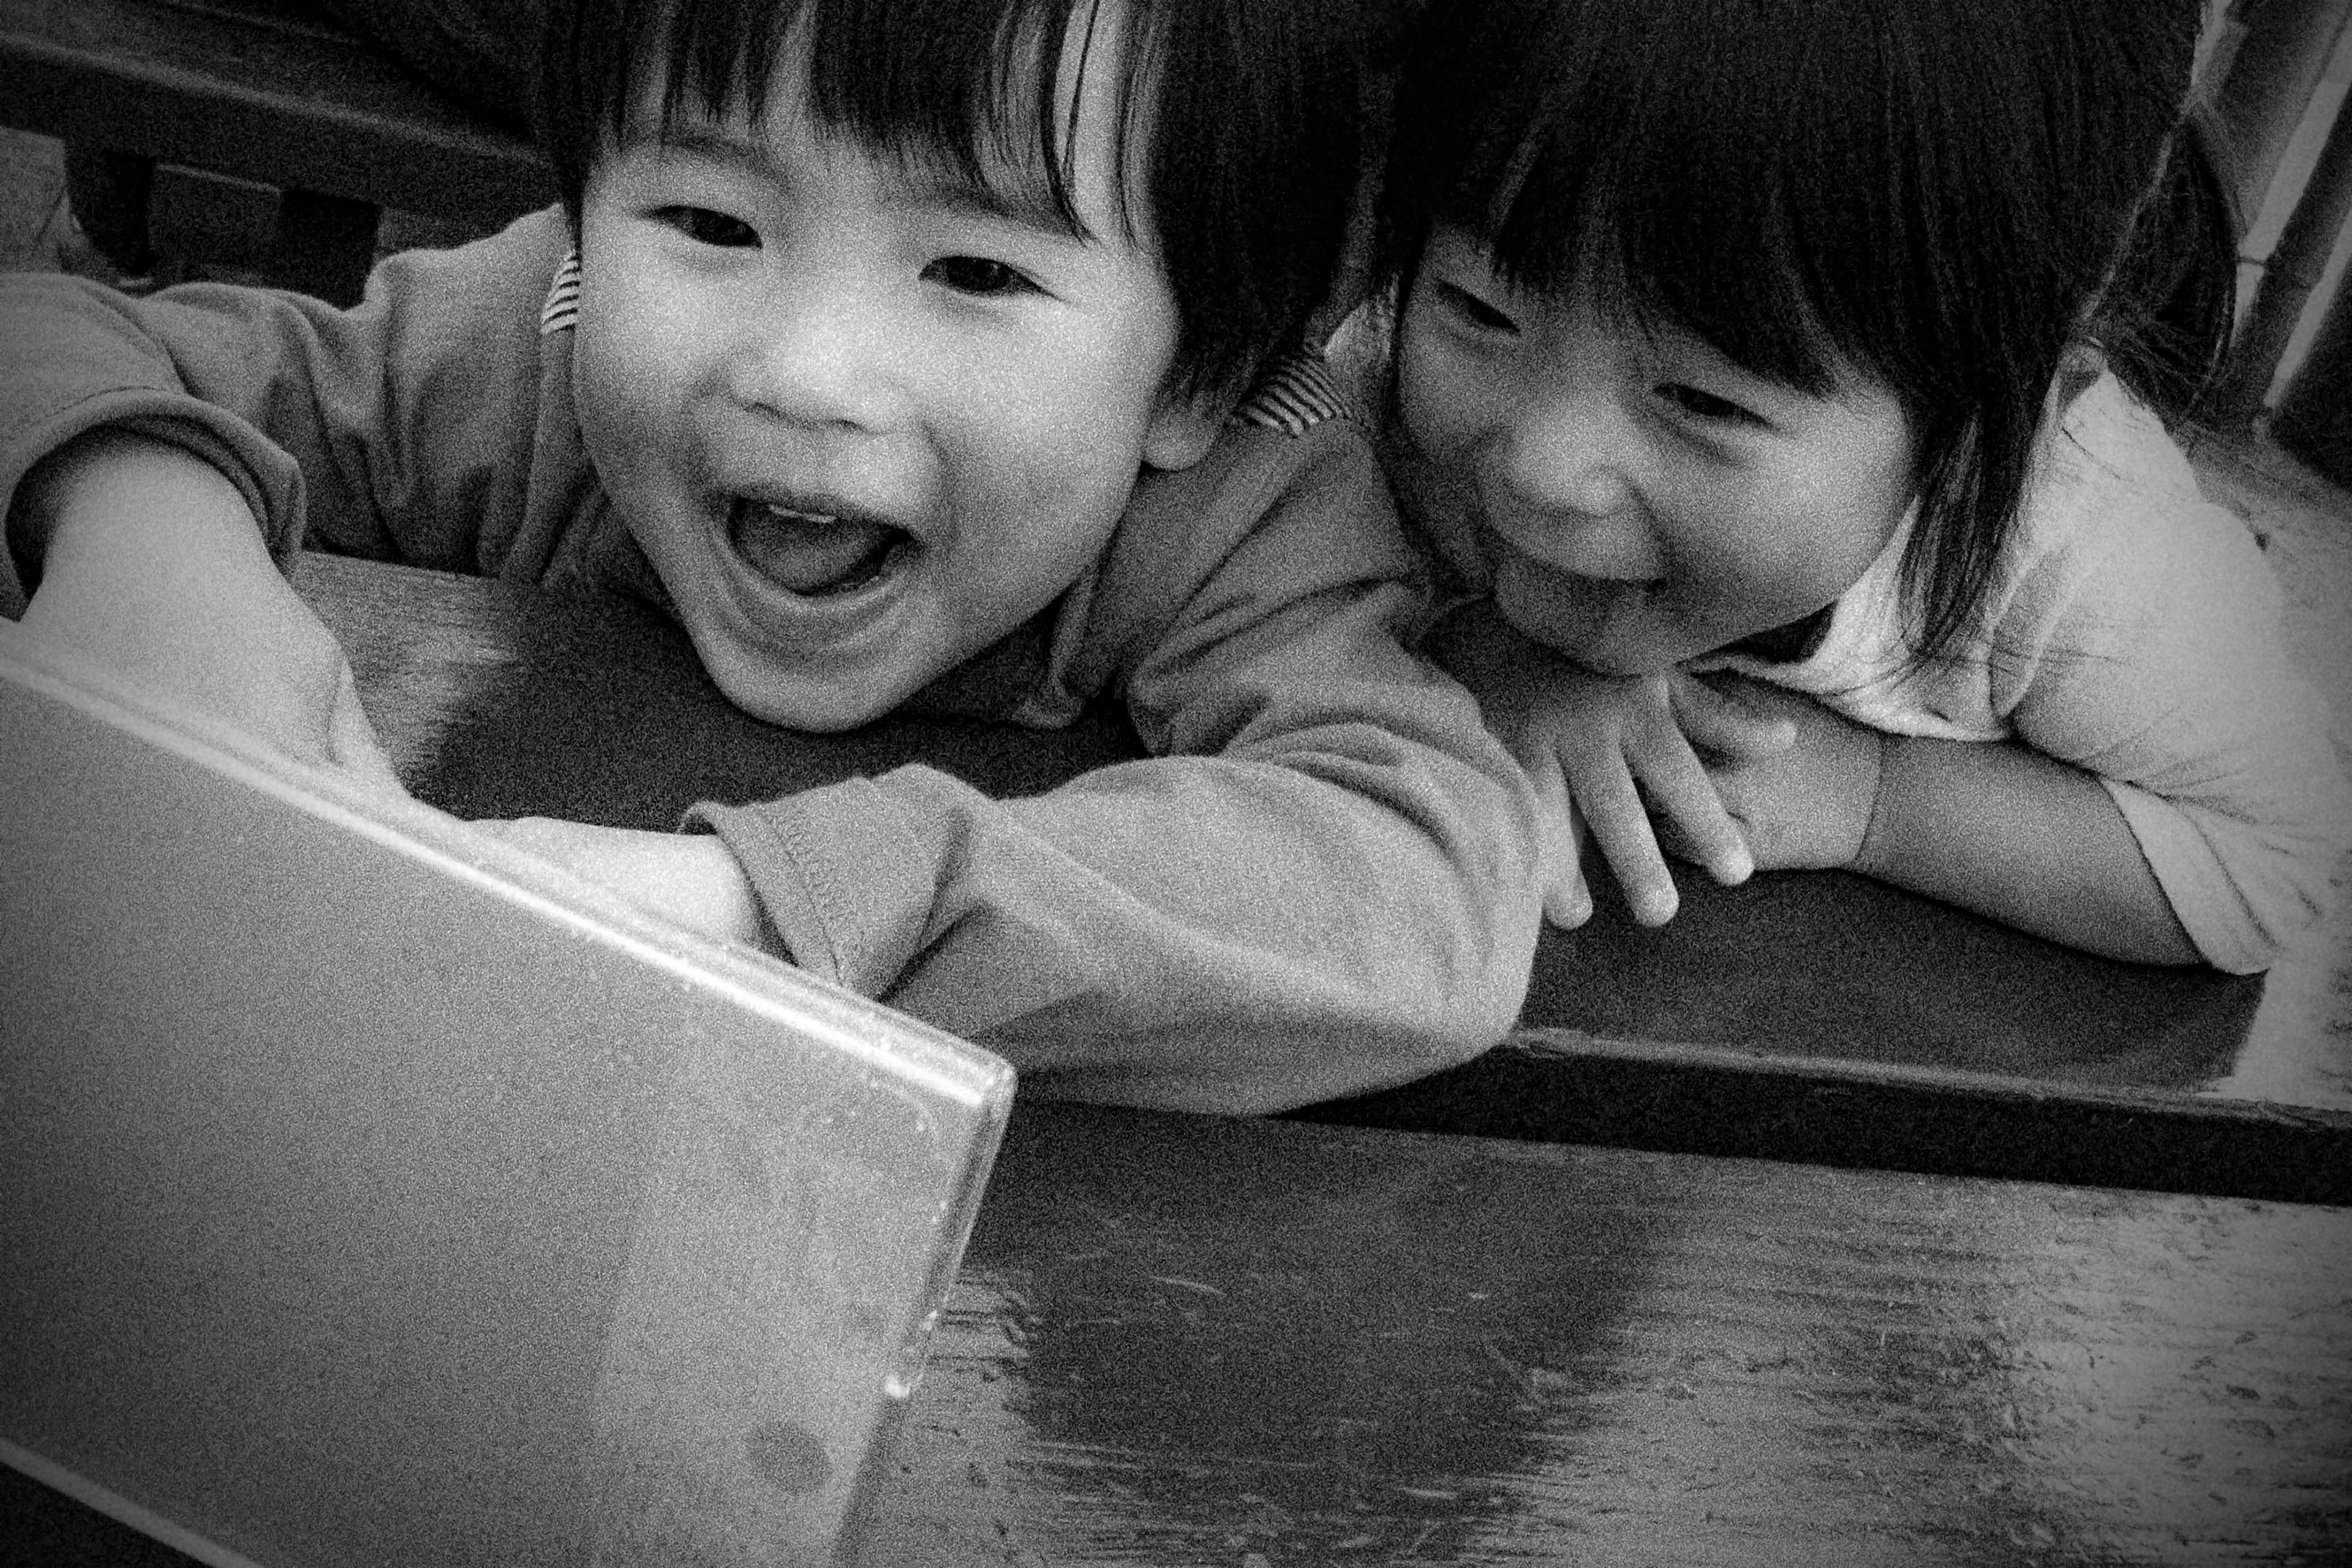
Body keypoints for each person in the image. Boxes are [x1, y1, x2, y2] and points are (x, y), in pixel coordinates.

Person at [0, 0, 1544, 1111]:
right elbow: (46, 331)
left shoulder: (1245, 509)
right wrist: (145, 540)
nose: (805, 370)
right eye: (712, 223)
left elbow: (1420, 871)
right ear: (585, 221)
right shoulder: (525, 353)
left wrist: (755, 912)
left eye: (976, 269)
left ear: (1197, 371)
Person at [1331, 0, 2351, 972]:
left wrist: (1876, 803)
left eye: (1703, 402)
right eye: (1479, 310)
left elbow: (2281, 864)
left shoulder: (2087, 563)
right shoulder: (1375, 379)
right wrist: (1483, 654)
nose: (1539, 469)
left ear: (1993, 422)